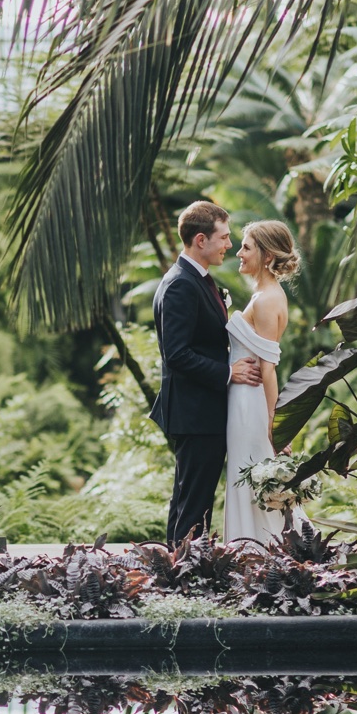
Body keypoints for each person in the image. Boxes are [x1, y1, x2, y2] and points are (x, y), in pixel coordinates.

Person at [151, 201, 264, 543]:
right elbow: (177, 355)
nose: (229, 245)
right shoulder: (182, 285)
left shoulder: (196, 279)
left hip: (200, 410)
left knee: (190, 499)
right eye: (224, 237)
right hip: (195, 412)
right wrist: (229, 373)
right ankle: (186, 577)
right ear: (201, 240)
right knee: (195, 503)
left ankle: (179, 569)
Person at [222, 222, 298, 545]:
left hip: (250, 405)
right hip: (241, 399)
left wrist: (274, 423)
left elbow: (268, 368)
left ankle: (255, 551)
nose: (238, 253)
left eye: (246, 247)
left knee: (250, 478)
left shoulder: (267, 300)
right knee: (247, 476)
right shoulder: (262, 294)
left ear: (266, 255)